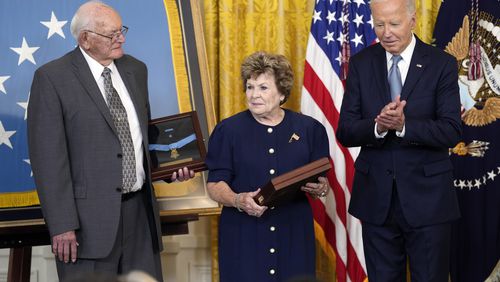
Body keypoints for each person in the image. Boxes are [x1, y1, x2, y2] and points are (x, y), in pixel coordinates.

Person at [27, 2, 194, 281]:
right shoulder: (52, 78)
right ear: (85, 39)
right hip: (85, 225)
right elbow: (47, 159)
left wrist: (171, 165)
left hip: (140, 216)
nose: (122, 39)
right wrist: (62, 225)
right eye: (112, 34)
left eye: (122, 30)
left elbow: (141, 139)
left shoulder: (136, 69)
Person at [336, 0, 462, 281]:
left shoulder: (441, 64)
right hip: (376, 201)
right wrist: (378, 127)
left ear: (413, 20)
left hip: (428, 201)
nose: (386, 32)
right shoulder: (361, 63)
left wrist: (405, 126)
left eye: (394, 24)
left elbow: (452, 130)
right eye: (379, 24)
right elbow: (345, 130)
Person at [205, 51, 330, 281]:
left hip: (293, 233)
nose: (254, 95)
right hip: (243, 235)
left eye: (263, 88)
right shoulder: (227, 131)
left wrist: (321, 188)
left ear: (282, 92)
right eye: (250, 87)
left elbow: (321, 179)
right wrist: (237, 200)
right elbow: (214, 185)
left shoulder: (310, 130)